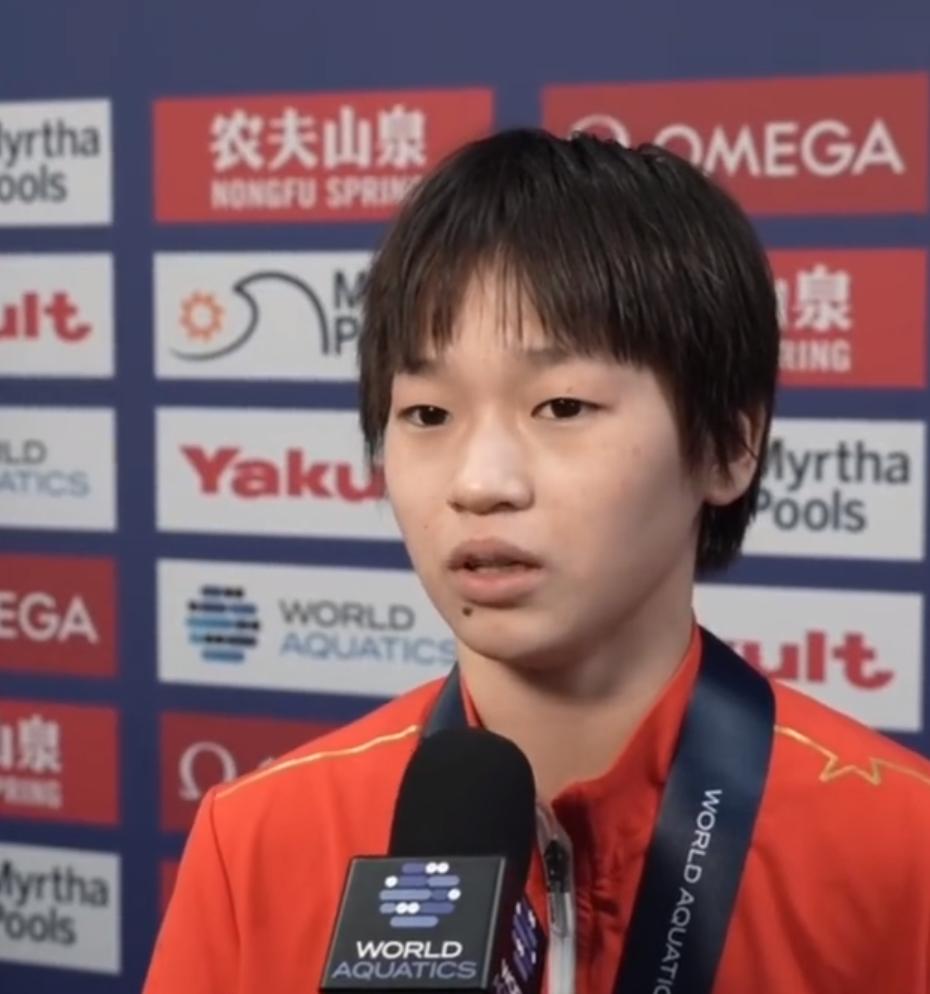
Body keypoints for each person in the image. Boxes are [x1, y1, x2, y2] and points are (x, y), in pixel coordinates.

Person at [143, 129, 930, 994]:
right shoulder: (256, 839)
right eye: (428, 415)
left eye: (561, 406)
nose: (480, 484)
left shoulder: (903, 846)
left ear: (728, 446)